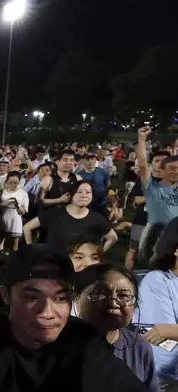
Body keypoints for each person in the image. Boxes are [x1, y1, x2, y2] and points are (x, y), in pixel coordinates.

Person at [0, 244, 150, 392]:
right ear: (6, 295)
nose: (47, 312)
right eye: (31, 297)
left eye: (60, 298)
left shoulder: (82, 341)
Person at [75, 264, 158, 391]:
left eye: (123, 296)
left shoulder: (140, 347)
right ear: (77, 300)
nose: (113, 303)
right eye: (101, 294)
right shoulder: (59, 345)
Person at [24, 181, 118, 252]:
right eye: (79, 192)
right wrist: (31, 250)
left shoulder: (96, 218)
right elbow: (27, 227)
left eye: (88, 192)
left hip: (80, 269)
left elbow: (113, 238)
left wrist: (97, 254)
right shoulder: (56, 213)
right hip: (53, 265)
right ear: (71, 195)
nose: (84, 195)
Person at [135, 239, 178, 390]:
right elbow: (166, 329)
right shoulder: (157, 280)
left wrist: (169, 331)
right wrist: (168, 331)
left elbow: (167, 331)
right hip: (163, 375)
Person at [136, 127, 178, 265]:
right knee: (152, 267)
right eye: (171, 168)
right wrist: (142, 139)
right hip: (156, 235)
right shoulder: (152, 186)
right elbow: (142, 165)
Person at [0, 171, 28, 275]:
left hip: (15, 221)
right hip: (1, 220)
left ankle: (12, 268)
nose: (13, 185)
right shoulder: (1, 192)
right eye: (10, 182)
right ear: (6, 181)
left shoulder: (23, 194)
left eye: (15, 183)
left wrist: (18, 206)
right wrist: (3, 204)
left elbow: (23, 211)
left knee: (14, 248)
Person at [77, 151, 111, 215]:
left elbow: (108, 185)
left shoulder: (103, 171)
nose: (90, 161)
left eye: (92, 159)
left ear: (96, 161)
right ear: (83, 161)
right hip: (87, 204)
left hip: (102, 202)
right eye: (87, 159)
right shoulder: (79, 175)